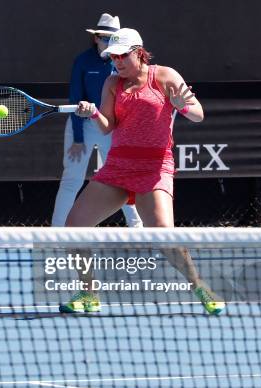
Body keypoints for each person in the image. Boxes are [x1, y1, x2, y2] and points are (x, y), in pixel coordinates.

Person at [60, 28, 225, 315]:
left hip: (154, 166)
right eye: (113, 57)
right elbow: (108, 126)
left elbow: (198, 114)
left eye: (123, 56)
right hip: (119, 166)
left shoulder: (165, 76)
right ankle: (89, 294)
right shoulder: (112, 82)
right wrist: (93, 113)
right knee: (73, 227)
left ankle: (199, 286)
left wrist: (181, 106)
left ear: (139, 52)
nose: (117, 62)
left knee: (163, 235)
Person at [52, 13, 143, 229]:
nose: (106, 42)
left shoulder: (122, 64)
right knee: (71, 181)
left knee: (122, 180)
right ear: (95, 38)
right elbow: (75, 98)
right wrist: (78, 138)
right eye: (102, 37)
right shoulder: (82, 61)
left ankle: (140, 230)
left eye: (111, 38)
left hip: (112, 127)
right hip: (82, 125)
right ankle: (56, 233)